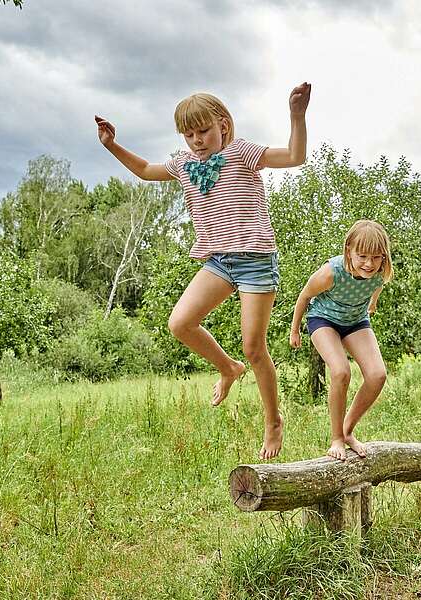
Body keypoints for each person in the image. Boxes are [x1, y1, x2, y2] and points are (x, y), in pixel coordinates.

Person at [95, 82, 311, 460]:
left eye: (203, 131)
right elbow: (146, 170)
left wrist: (296, 115)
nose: (196, 140)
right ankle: (228, 368)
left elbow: (294, 157)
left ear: (223, 125)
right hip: (218, 261)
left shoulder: (242, 153)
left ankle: (273, 420)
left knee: (255, 348)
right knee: (180, 323)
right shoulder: (183, 164)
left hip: (255, 259)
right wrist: (112, 145)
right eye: (189, 134)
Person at [290, 220, 392, 461]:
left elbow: (376, 286)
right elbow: (304, 297)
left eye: (376, 257)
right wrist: (295, 330)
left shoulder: (379, 273)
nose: (369, 263)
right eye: (362, 256)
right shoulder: (330, 272)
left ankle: (347, 431)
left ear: (383, 258)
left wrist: (373, 303)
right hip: (323, 320)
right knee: (340, 372)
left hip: (355, 321)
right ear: (349, 250)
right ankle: (336, 438)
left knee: (377, 375)